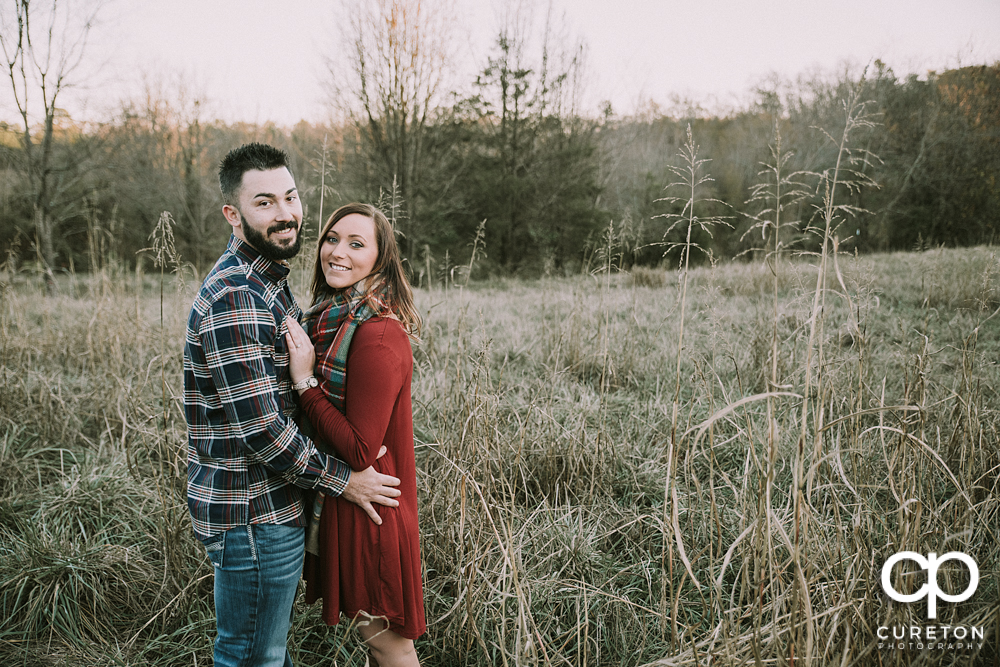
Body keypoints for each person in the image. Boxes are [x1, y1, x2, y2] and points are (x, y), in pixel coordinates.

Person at [183, 143, 402, 667]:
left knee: (262, 651)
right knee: (252, 656)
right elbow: (263, 431)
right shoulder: (237, 298)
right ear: (232, 215)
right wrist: (344, 480)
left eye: (290, 196)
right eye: (264, 202)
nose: (285, 214)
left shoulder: (270, 285)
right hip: (253, 511)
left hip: (272, 505)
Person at [284, 202, 425, 666]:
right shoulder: (328, 320)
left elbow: (361, 447)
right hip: (353, 502)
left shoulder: (376, 334)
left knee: (391, 646)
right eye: (331, 239)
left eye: (356, 243)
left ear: (381, 260)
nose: (337, 251)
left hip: (372, 509)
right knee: (376, 646)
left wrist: (305, 383)